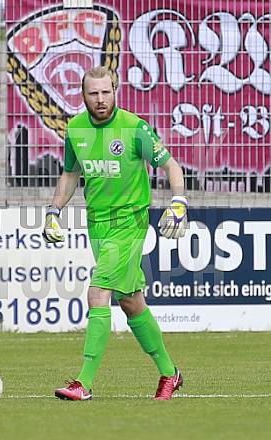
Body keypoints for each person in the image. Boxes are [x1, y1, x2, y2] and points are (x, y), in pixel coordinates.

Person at [42, 66, 188, 401]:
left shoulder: (135, 128)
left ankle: (83, 383)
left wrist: (179, 202)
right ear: (83, 96)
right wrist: (53, 212)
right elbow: (70, 174)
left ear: (116, 90)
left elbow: (171, 166)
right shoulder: (75, 129)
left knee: (98, 293)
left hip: (129, 223)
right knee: (131, 302)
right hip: (98, 224)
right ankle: (170, 373)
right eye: (93, 93)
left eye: (106, 92)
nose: (100, 99)